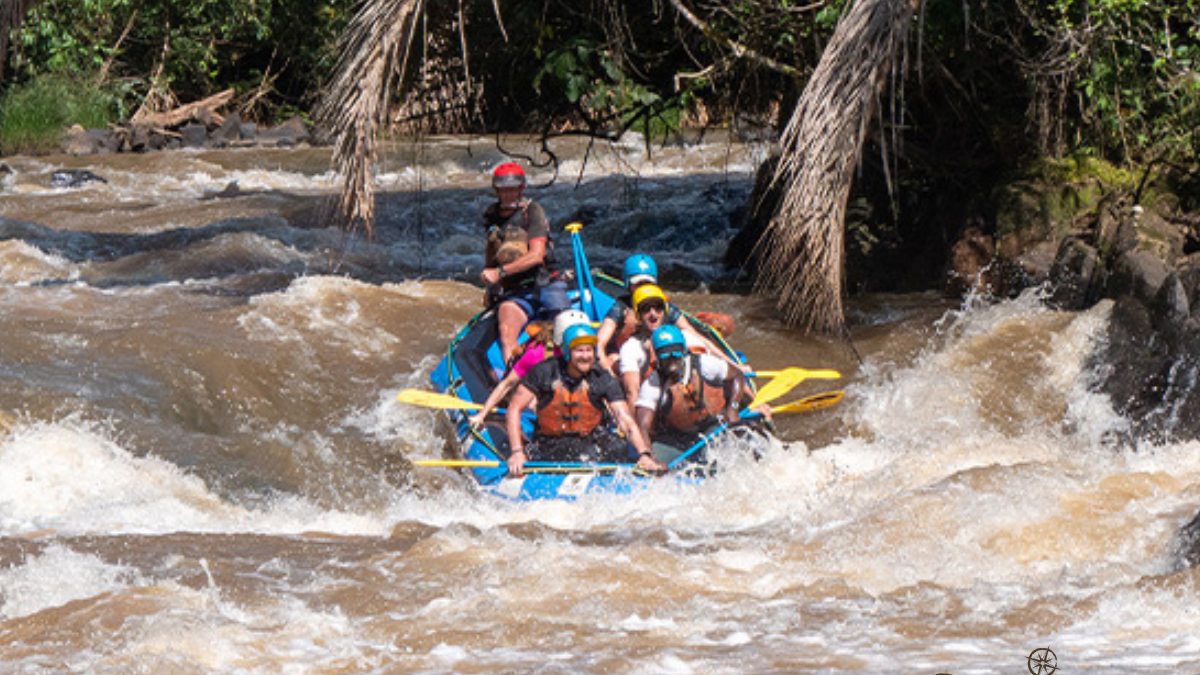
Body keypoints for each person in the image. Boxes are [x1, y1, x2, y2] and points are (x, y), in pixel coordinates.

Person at [506, 324, 666, 476]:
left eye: (589, 350)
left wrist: (643, 453)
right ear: (568, 352)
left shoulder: (602, 377)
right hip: (550, 444)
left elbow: (625, 419)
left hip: (588, 441)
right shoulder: (544, 371)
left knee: (617, 446)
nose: (585, 356)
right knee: (572, 451)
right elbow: (514, 409)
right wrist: (517, 452)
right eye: (579, 351)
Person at [634, 325, 768, 466]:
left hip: (713, 427)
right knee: (656, 461)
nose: (671, 360)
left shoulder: (704, 363)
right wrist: (647, 455)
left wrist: (733, 407)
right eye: (665, 355)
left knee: (738, 444)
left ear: (683, 351)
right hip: (676, 440)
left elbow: (737, 375)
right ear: (657, 357)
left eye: (676, 354)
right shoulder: (652, 385)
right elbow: (643, 426)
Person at [596, 254, 738, 376]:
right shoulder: (620, 308)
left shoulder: (664, 306)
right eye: (637, 283)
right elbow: (599, 343)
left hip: (660, 354)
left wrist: (732, 364)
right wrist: (608, 377)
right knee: (613, 359)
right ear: (628, 284)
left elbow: (695, 336)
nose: (643, 286)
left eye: (647, 282)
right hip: (626, 356)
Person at [479, 162, 563, 365]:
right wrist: (492, 286)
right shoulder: (492, 215)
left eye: (513, 190)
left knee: (563, 330)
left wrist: (499, 273)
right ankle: (513, 382)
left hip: (544, 284)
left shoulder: (532, 212)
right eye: (503, 190)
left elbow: (536, 256)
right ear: (497, 191)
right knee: (506, 332)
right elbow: (492, 252)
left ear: (521, 189)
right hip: (515, 290)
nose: (508, 195)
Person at [468, 309, 590, 428]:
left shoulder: (586, 355)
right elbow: (507, 384)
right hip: (527, 388)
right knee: (535, 404)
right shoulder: (537, 355)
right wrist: (482, 414)